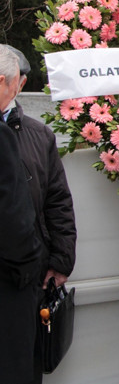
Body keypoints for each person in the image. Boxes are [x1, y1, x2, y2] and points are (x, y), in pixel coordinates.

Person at [2, 45, 77, 382]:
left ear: (18, 82)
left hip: (29, 276)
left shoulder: (38, 134)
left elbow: (58, 200)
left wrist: (60, 261)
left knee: (22, 364)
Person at [0, 46, 42, 384]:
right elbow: (12, 212)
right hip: (9, 279)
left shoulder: (36, 133)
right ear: (4, 83)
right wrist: (30, 262)